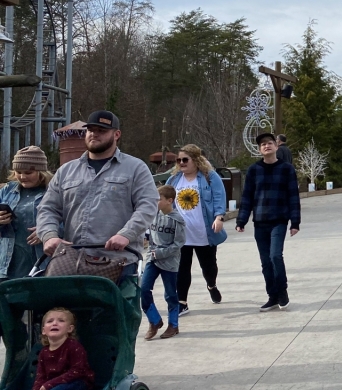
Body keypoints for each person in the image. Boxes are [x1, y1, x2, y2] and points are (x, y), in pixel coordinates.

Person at [37, 110, 159, 290]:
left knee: (116, 316)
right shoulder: (66, 171)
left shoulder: (135, 168)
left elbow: (148, 206)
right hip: (70, 261)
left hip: (119, 261)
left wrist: (126, 234)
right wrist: (49, 236)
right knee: (64, 315)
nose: (94, 134)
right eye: (90, 130)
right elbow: (48, 208)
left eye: (101, 130)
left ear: (116, 134)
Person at [0, 308, 95, 390]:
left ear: (70, 329)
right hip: (53, 387)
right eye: (50, 321)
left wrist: (50, 385)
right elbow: (40, 377)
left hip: (78, 383)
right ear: (44, 330)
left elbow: (78, 371)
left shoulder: (74, 346)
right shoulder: (44, 352)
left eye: (61, 321)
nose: (55, 323)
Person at [236, 132, 300, 312]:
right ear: (259, 149)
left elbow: (293, 196)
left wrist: (295, 222)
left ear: (276, 146)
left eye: (270, 143)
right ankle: (272, 296)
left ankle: (282, 291)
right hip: (260, 221)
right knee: (265, 262)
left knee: (275, 256)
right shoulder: (254, 170)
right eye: (262, 144)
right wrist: (241, 220)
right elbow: (247, 197)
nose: (266, 146)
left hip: (279, 220)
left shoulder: (287, 169)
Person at [167, 144, 228, 315]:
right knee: (182, 268)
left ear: (196, 160)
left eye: (185, 160)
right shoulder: (173, 180)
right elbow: (165, 202)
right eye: (178, 160)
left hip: (205, 232)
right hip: (182, 234)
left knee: (209, 267)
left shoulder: (209, 177)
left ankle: (211, 284)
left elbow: (219, 196)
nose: (181, 163)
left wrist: (219, 217)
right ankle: (182, 302)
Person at [0, 146, 53, 282]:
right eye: (18, 172)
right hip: (7, 263)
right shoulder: (7, 190)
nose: (22, 177)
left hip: (42, 262)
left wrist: (49, 231)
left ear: (42, 172)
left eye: (28, 172)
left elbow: (69, 221)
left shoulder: (53, 192)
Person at [142, 185, 186, 341]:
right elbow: (149, 236)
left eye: (159, 199)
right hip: (152, 259)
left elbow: (179, 243)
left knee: (170, 295)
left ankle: (173, 325)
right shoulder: (154, 215)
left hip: (170, 262)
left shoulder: (177, 220)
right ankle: (154, 321)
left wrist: (161, 252)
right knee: (143, 289)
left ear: (169, 201)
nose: (156, 202)